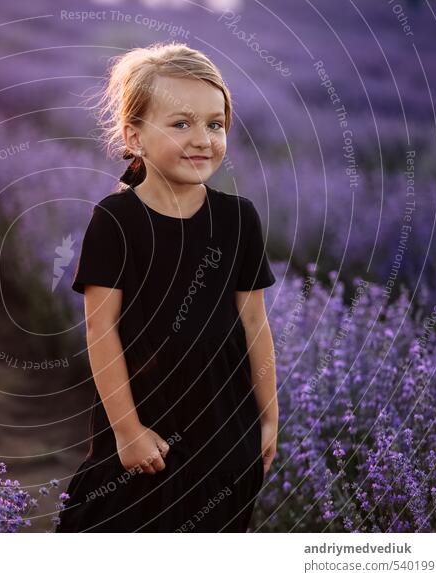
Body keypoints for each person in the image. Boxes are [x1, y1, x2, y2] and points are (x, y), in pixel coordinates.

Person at [56, 41, 278, 533]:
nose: (203, 139)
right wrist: (128, 432)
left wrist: (268, 419)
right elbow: (100, 331)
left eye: (215, 123)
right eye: (181, 124)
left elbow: (255, 324)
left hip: (226, 436)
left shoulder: (239, 219)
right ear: (134, 137)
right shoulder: (116, 220)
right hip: (142, 432)